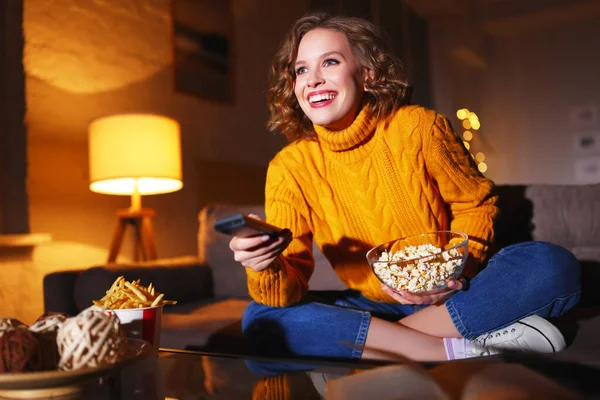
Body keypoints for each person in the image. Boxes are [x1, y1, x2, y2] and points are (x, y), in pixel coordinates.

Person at [229, 11, 581, 363]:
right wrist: (264, 265)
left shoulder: (419, 127)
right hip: (374, 306)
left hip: (452, 296)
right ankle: (449, 348)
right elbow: (284, 292)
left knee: (551, 265)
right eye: (301, 70)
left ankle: (387, 347)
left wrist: (454, 271)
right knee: (260, 317)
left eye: (330, 62)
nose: (313, 80)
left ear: (367, 74)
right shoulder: (289, 167)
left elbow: (477, 203)